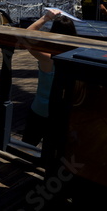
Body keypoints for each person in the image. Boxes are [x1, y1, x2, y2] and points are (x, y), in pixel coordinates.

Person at [22, 9, 77, 146]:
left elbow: (26, 36)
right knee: (53, 147)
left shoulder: (47, 58)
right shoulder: (76, 60)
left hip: (40, 109)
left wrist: (46, 17)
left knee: (28, 143)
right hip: (61, 112)